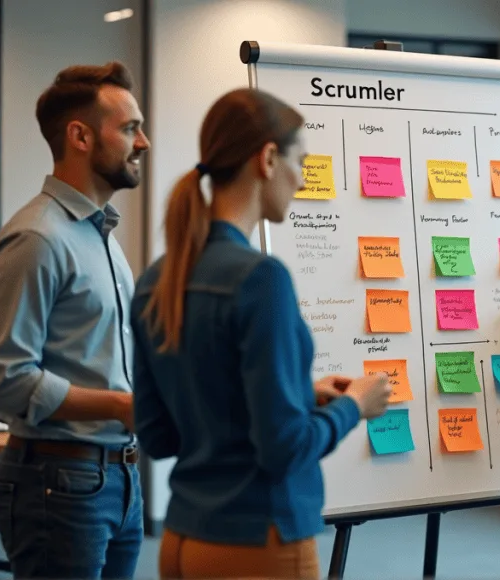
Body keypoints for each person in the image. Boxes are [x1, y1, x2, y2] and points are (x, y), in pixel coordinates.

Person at [130, 88, 392, 580]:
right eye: (302, 162)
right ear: (269, 159)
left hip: (182, 544)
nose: (301, 179)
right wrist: (353, 405)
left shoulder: (156, 279)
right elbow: (285, 449)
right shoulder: (261, 279)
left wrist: (297, 394)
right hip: (259, 545)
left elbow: (158, 434)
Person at [0, 61, 148, 579]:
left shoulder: (101, 237)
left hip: (119, 478)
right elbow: (6, 379)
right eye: (129, 128)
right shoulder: (37, 239)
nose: (143, 141)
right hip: (59, 479)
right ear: (79, 135)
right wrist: (122, 405)